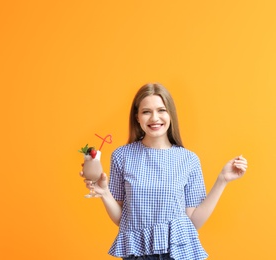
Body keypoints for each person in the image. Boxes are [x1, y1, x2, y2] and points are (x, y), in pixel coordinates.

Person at [80, 83, 248, 260]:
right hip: (137, 254)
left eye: (161, 110)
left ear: (170, 115)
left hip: (178, 253)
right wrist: (105, 193)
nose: (154, 118)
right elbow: (123, 220)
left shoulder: (189, 160)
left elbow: (193, 222)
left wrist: (222, 179)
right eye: (146, 112)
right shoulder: (122, 156)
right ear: (137, 117)